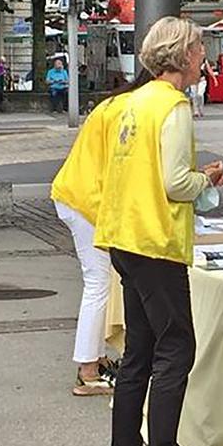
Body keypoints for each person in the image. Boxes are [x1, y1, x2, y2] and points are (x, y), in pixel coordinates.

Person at [94, 16, 223, 446]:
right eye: (198, 51)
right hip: (155, 240)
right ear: (183, 56)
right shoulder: (173, 106)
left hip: (124, 236)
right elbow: (175, 183)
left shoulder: (132, 103)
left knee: (140, 350)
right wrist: (207, 178)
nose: (203, 60)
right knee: (176, 347)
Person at [51, 70, 153, 397]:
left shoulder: (117, 103)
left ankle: (93, 361)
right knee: (98, 283)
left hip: (77, 195)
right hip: (87, 201)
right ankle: (88, 370)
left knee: (100, 281)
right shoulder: (133, 110)